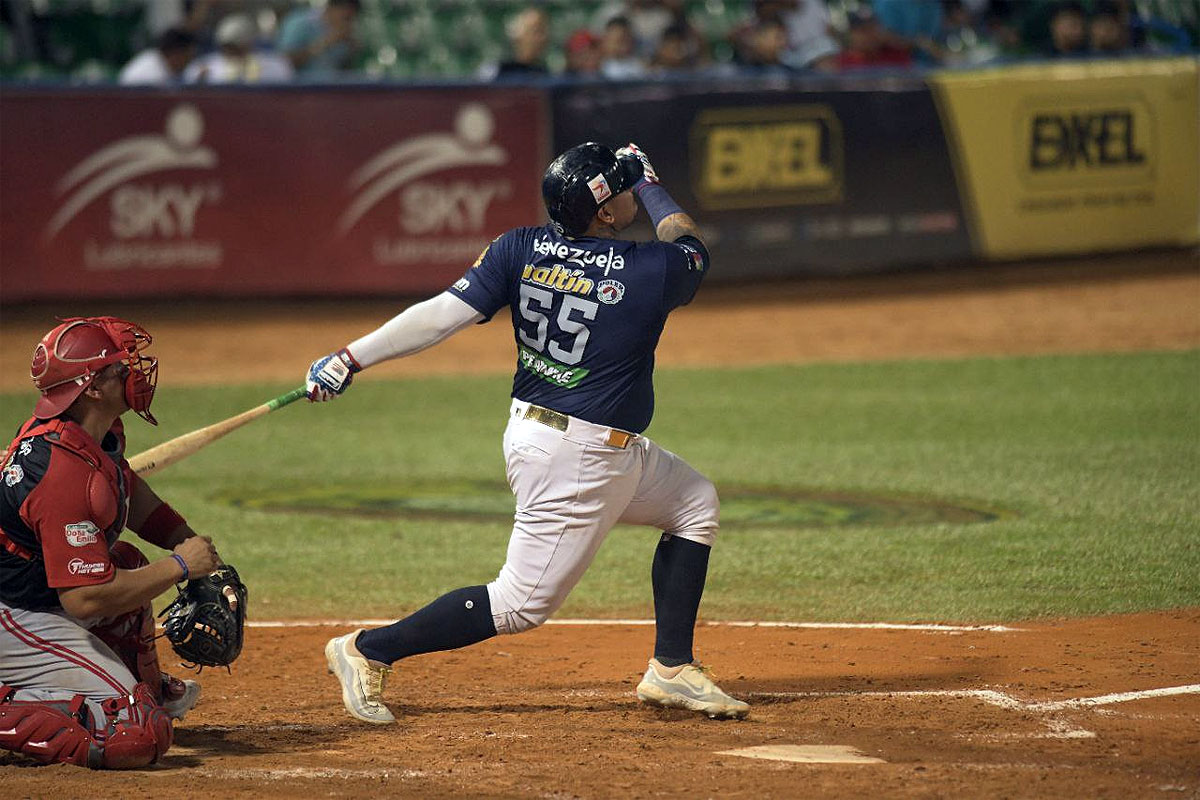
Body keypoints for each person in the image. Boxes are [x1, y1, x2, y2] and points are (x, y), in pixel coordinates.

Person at [308, 141, 749, 723]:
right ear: (606, 212)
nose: (624, 195)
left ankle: (672, 669)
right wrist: (647, 180)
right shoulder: (649, 270)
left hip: (552, 436)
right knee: (519, 604)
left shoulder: (521, 245)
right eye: (615, 191)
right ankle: (366, 649)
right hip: (579, 455)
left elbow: (442, 314)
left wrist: (351, 357)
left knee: (695, 504)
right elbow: (688, 241)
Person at [0, 317, 222, 768]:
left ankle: (145, 688)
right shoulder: (61, 471)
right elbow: (84, 597)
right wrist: (180, 566)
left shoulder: (98, 432)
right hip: (15, 614)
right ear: (92, 389)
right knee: (135, 734)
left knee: (126, 560)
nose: (135, 373)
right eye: (120, 368)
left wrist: (183, 539)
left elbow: (129, 493)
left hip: (39, 595)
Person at [184, 13, 293, 84]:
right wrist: (200, 79)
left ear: (249, 43)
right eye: (227, 47)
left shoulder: (274, 65)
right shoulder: (205, 66)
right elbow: (188, 83)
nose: (231, 51)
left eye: (235, 46)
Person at [277, 0, 361, 80]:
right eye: (346, 17)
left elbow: (343, 71)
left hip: (331, 89)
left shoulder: (344, 34)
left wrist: (352, 51)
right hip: (298, 88)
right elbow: (284, 63)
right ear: (331, 9)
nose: (348, 23)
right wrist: (325, 43)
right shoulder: (299, 24)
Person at [482, 6, 551, 80]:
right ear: (517, 36)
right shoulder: (495, 72)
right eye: (536, 31)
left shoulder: (546, 76)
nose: (543, 38)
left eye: (544, 32)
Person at [118, 26, 197, 85]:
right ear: (176, 54)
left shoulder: (157, 59)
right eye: (187, 57)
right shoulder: (150, 74)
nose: (188, 62)